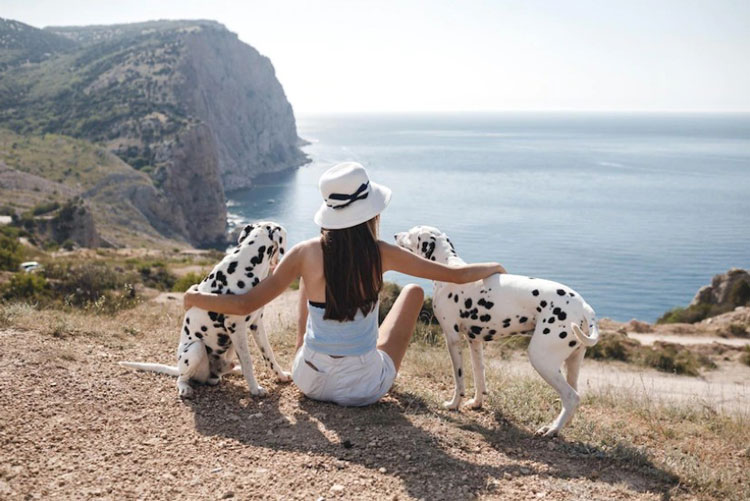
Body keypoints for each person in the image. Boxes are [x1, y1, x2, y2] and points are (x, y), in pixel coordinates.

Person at [183, 162, 505, 406]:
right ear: (371, 211)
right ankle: (356, 347)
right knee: (414, 291)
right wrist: (495, 267)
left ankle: (309, 348)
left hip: (308, 380)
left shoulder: (304, 253)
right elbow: (456, 275)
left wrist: (195, 297)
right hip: (363, 389)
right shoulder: (383, 254)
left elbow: (244, 304)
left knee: (311, 285)